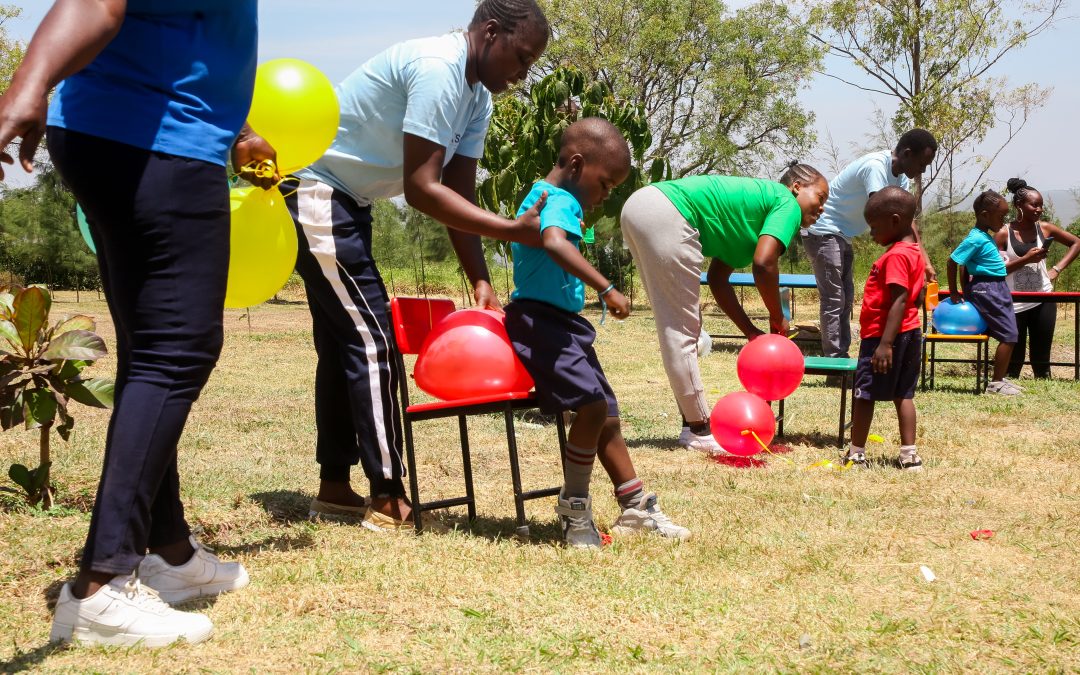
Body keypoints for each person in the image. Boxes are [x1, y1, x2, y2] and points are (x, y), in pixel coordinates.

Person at [233, 0, 550, 531]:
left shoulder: (476, 96)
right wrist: (511, 229)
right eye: (520, 57)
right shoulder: (438, 69)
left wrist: (479, 277)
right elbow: (421, 190)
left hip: (348, 201)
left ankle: (335, 488)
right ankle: (387, 497)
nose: (522, 75)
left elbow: (458, 190)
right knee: (372, 336)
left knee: (343, 342)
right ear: (490, 33)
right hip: (316, 190)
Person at [0, 0, 255, 647]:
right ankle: (100, 587)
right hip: (157, 141)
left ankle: (165, 552)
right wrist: (30, 82)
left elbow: (179, 30)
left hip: (133, 131)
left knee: (154, 351)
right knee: (177, 351)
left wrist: (237, 124)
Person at [503, 118, 690, 547]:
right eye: (605, 183)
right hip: (541, 323)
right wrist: (605, 287)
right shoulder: (559, 199)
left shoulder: (548, 194)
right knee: (589, 407)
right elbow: (553, 242)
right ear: (576, 164)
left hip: (562, 324)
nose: (606, 195)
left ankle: (635, 505)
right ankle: (574, 507)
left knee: (605, 413)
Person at [619, 166, 829, 454]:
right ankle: (699, 430)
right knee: (682, 330)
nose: (822, 208)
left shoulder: (749, 223)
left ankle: (690, 423)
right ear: (797, 186)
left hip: (641, 207)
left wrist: (751, 332)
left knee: (680, 325)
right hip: (667, 212)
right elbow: (764, 264)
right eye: (820, 196)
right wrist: (778, 316)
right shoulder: (786, 202)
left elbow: (718, 280)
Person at [803, 129, 938, 358]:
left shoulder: (901, 177)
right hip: (824, 230)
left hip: (843, 234)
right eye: (922, 164)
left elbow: (905, 220)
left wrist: (924, 262)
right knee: (834, 299)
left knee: (845, 299)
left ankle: (840, 355)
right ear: (907, 153)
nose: (922, 171)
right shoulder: (876, 167)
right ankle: (835, 360)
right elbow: (886, 215)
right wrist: (901, 256)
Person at [844, 187, 926, 471]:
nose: (871, 234)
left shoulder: (895, 257)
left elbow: (900, 298)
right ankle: (909, 454)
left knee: (864, 393)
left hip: (883, 336)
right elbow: (916, 295)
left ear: (894, 220)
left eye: (874, 227)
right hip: (911, 332)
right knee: (904, 393)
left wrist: (885, 344)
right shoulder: (914, 252)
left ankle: (856, 453)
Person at [996, 178, 1080, 379]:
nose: (1039, 209)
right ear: (1019, 206)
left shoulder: (1045, 229)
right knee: (1013, 362)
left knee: (1041, 360)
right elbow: (996, 271)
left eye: (1041, 205)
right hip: (1013, 302)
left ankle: (1043, 381)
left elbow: (1076, 243)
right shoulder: (1002, 234)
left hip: (1043, 299)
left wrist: (1056, 269)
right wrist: (1026, 259)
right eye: (1034, 204)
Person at [947, 191, 1020, 395]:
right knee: (1009, 335)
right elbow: (953, 261)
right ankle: (996, 384)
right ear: (985, 215)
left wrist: (966, 288)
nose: (1004, 221)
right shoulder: (976, 239)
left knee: (1009, 334)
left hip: (995, 287)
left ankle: (1001, 378)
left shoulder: (983, 237)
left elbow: (964, 265)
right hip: (989, 289)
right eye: (1001, 216)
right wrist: (955, 292)